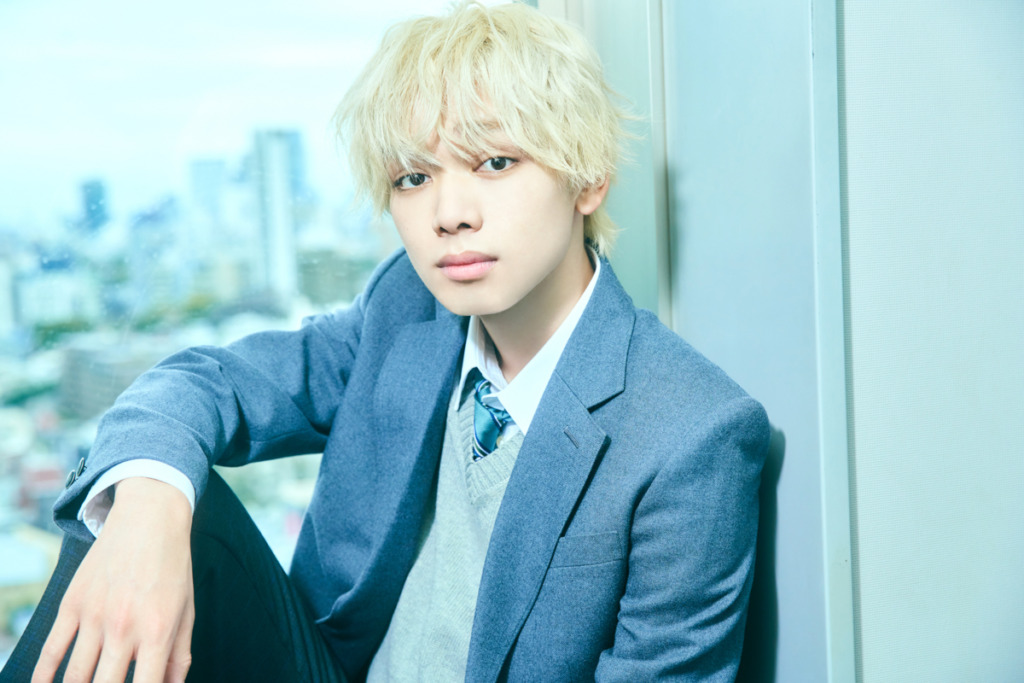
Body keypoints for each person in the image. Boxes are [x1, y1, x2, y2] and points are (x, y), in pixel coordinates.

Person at [4, 2, 769, 681]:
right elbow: (206, 381)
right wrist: (147, 511)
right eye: (412, 178)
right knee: (145, 498)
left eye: (495, 162)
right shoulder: (406, 307)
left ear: (589, 178)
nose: (449, 213)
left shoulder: (691, 435)